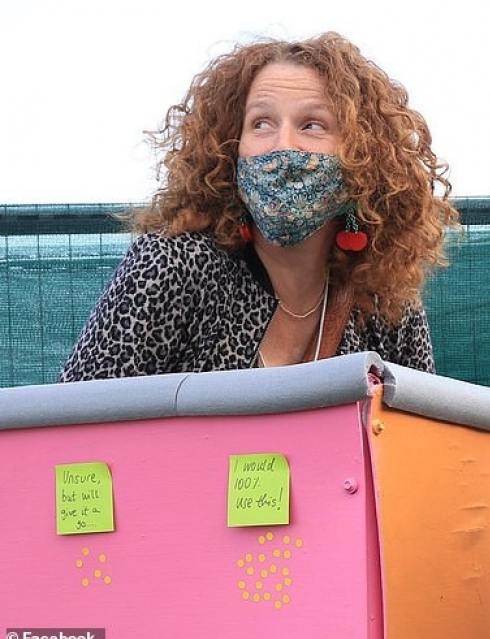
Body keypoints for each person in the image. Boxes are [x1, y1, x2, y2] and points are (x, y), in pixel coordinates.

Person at [59, 31, 459, 382]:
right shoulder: (173, 264)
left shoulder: (385, 301)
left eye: (312, 125)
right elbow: (71, 426)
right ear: (229, 150)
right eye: (261, 123)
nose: (283, 146)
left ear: (366, 160)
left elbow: (418, 440)